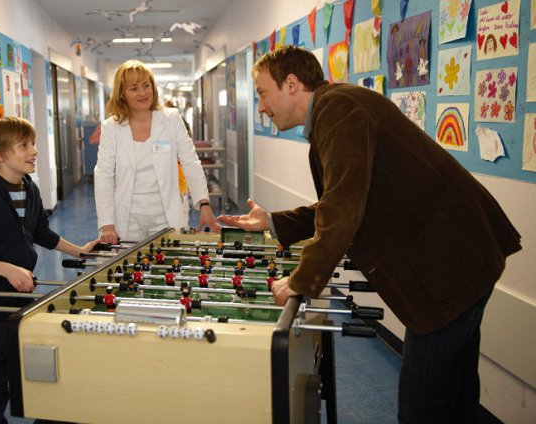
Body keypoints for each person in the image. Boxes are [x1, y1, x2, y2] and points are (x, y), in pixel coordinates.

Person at [217, 45, 521, 423]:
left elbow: (343, 207)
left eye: (262, 93)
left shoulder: (339, 110)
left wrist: (301, 279)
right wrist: (275, 222)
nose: (260, 106)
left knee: (424, 409)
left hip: (451, 266)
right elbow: (344, 199)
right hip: (462, 257)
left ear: (291, 84)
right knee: (455, 400)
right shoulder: (337, 107)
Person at [0, 117, 98, 424]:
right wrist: (7, 270)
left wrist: (79, 250)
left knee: (37, 380)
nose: (34, 151)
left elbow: (41, 232)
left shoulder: (29, 187)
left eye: (33, 144)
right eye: (24, 145)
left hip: (19, 303)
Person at [94, 60, 220, 243]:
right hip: (128, 219)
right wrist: (106, 224)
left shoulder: (171, 119)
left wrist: (204, 203)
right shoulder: (111, 127)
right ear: (122, 93)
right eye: (134, 88)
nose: (142, 93)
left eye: (146, 85)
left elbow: (190, 161)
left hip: (166, 216)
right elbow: (103, 174)